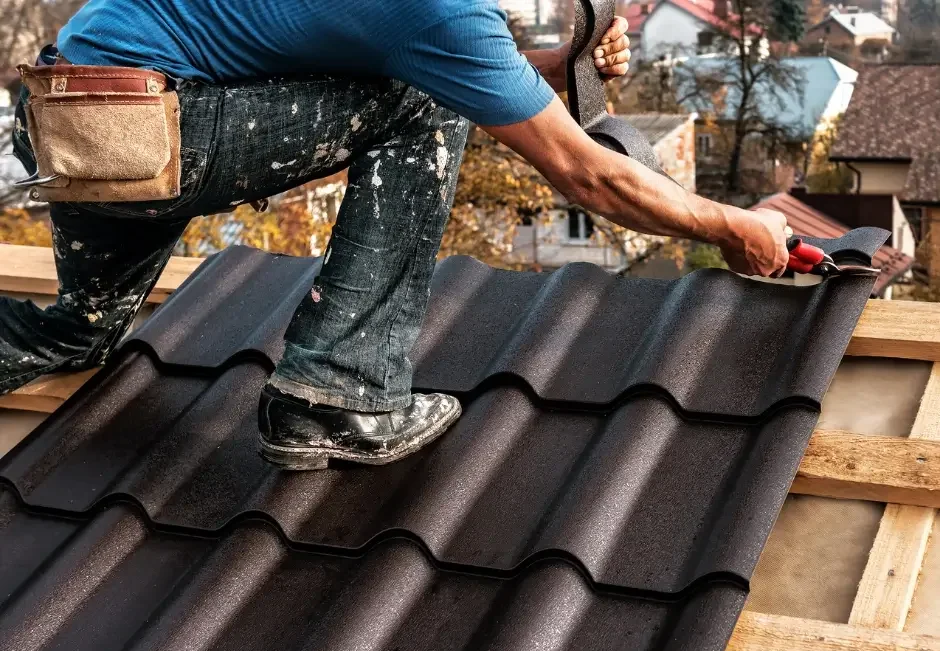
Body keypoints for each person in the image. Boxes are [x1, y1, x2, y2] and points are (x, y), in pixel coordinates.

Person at [8, 0, 790, 471]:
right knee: (426, 100)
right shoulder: (441, 11)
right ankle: (340, 388)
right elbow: (588, 176)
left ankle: (59, 332)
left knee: (76, 337)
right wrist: (734, 225)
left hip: (63, 122)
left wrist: (547, 67)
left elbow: (337, 43)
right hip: (150, 135)